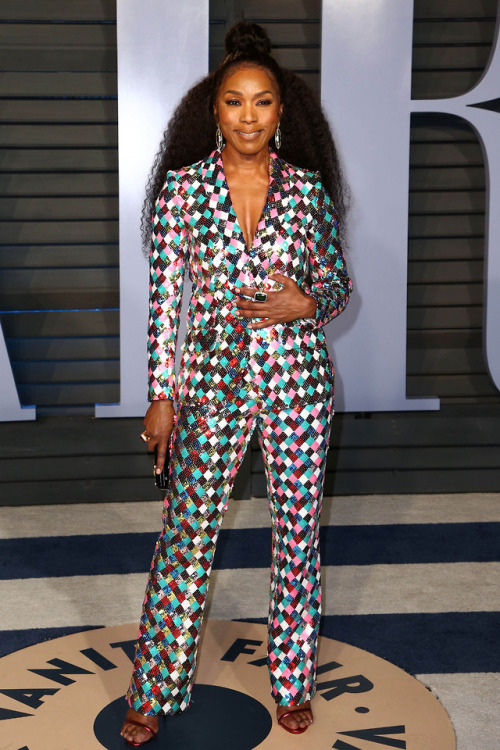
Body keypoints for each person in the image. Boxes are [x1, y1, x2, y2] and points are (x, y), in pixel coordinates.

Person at [120, 21, 352, 747]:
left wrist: (309, 302)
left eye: (262, 102)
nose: (248, 116)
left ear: (283, 110)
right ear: (211, 109)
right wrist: (162, 394)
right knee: (186, 535)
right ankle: (155, 685)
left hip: (299, 384)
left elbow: (339, 282)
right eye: (234, 102)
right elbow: (165, 306)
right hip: (212, 386)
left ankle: (291, 682)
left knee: (297, 536)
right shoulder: (182, 193)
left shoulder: (309, 192)